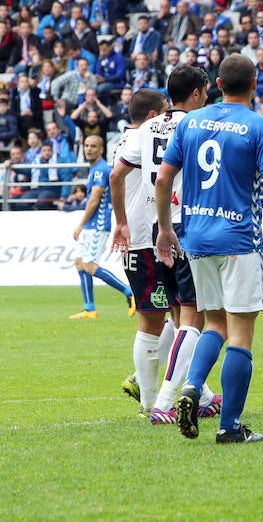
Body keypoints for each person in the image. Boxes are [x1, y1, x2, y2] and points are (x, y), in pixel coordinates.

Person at [155, 55, 263, 444]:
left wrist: (165, 228)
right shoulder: (259, 126)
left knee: (214, 323)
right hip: (239, 239)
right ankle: (229, 426)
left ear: (215, 84)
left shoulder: (191, 121)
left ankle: (193, 386)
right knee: (241, 333)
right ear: (256, 83)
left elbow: (164, 179)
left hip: (195, 236)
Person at [111, 66, 222, 425]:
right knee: (192, 317)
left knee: (178, 313)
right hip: (189, 226)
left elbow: (118, 172)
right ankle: (160, 400)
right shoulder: (197, 124)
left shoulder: (146, 129)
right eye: (204, 91)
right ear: (195, 94)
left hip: (159, 231)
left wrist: (127, 221)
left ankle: (196, 391)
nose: (206, 97)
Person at [108, 89, 178, 416]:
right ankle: (148, 398)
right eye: (165, 113)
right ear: (152, 117)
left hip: (144, 238)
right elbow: (116, 178)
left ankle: (195, 393)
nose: (169, 119)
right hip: (143, 240)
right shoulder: (140, 141)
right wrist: (122, 223)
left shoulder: (125, 141)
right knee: (153, 318)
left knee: (178, 313)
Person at [69, 135, 136, 319]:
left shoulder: (100, 170)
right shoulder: (95, 170)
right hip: (92, 225)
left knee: (90, 265)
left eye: (93, 146)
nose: (89, 149)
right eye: (87, 146)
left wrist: (80, 225)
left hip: (97, 225)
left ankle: (130, 292)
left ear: (101, 150)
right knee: (80, 263)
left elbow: (95, 199)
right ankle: (89, 308)